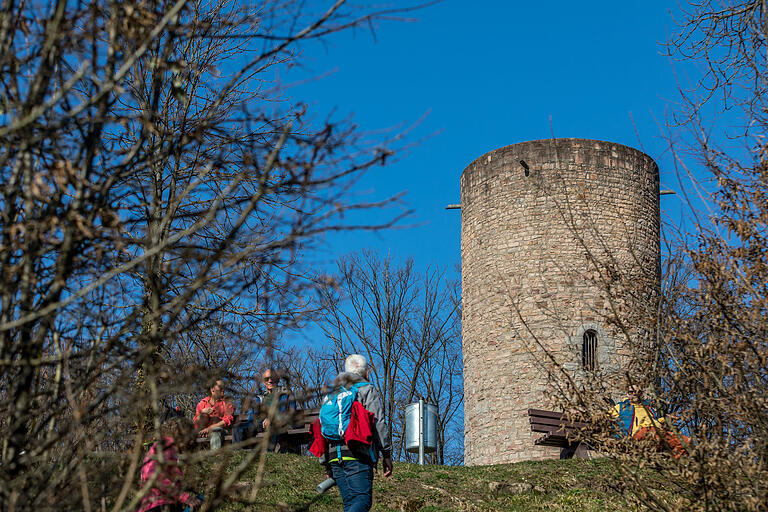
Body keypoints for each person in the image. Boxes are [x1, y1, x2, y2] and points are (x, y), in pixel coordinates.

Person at [318, 354, 393, 512]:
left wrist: (326, 463)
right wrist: (386, 453)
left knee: (351, 505)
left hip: (334, 457)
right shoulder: (367, 389)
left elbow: (322, 426)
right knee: (362, 501)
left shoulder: (332, 393)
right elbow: (378, 422)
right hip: (357, 454)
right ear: (366, 373)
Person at [138, 417, 202, 512]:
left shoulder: (162, 448)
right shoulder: (166, 446)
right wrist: (185, 497)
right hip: (159, 505)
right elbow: (157, 477)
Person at [612, 383, 689, 458]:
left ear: (641, 393)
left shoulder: (649, 409)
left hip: (657, 432)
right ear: (628, 394)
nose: (634, 394)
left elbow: (656, 421)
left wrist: (666, 419)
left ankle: (672, 461)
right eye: (631, 392)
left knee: (685, 441)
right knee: (651, 433)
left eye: (637, 391)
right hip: (639, 434)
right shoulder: (621, 407)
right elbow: (605, 418)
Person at [233, 368, 295, 451]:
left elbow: (290, 412)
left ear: (278, 379)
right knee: (238, 428)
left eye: (272, 378)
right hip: (259, 423)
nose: (270, 381)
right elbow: (253, 416)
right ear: (263, 382)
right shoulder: (260, 397)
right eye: (267, 379)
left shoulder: (286, 394)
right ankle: (238, 454)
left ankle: (267, 456)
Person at [193, 378, 234, 450]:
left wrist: (209, 429)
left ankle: (215, 459)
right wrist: (202, 414)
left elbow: (227, 420)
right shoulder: (202, 403)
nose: (223, 389)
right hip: (202, 432)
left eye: (224, 387)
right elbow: (195, 425)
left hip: (220, 431)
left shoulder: (227, 402)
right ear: (212, 390)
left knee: (215, 431)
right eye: (220, 387)